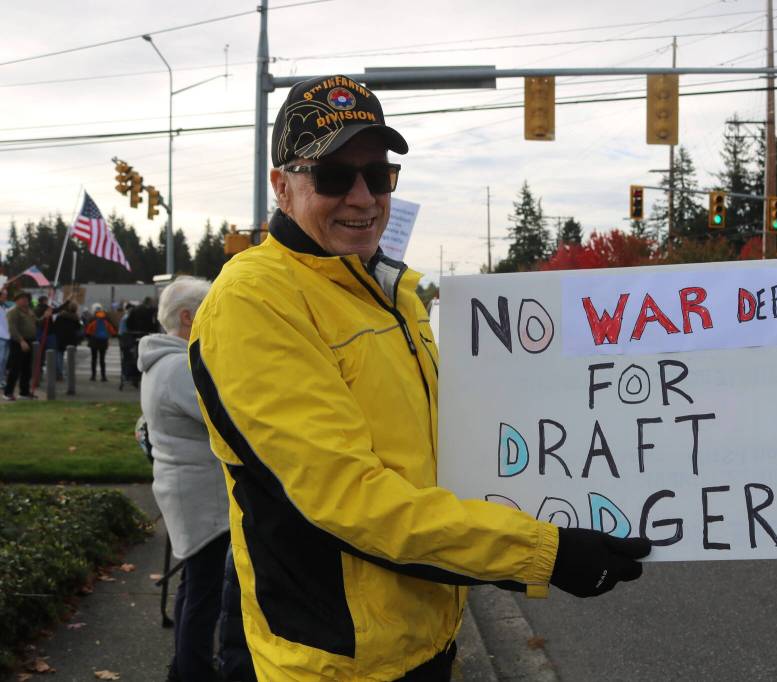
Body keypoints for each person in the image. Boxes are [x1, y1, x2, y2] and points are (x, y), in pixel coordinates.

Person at [188, 74, 651, 681]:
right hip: (332, 663)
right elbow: (346, 499)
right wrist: (543, 552)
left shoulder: (388, 291)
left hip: (423, 639)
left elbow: (437, 442)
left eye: (378, 176)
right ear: (282, 187)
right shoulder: (255, 301)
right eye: (333, 177)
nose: (361, 197)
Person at [138, 277, 231, 682]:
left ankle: (186, 666)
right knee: (204, 593)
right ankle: (193, 671)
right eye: (210, 310)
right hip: (201, 498)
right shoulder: (178, 366)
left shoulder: (167, 361)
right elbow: (226, 417)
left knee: (197, 586)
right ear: (189, 316)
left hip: (192, 493)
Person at [4, 291, 38, 400]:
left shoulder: (29, 311)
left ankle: (24, 392)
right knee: (15, 368)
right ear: (17, 300)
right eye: (22, 298)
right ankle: (8, 392)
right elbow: (12, 328)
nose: (25, 300)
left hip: (30, 341)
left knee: (26, 369)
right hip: (19, 342)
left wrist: (45, 316)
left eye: (26, 298)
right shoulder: (14, 312)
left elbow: (37, 322)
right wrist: (21, 341)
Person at [84, 304, 117, 381]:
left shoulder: (92, 319)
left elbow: (88, 331)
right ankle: (103, 376)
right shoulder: (106, 319)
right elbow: (112, 330)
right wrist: (113, 335)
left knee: (94, 359)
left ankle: (93, 376)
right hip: (103, 341)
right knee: (102, 359)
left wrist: (88, 337)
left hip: (94, 341)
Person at [52, 302, 83, 381]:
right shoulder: (76, 318)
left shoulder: (60, 316)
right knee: (71, 358)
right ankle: (69, 374)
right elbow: (78, 328)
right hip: (72, 339)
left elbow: (55, 326)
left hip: (61, 338)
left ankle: (60, 373)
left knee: (59, 356)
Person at [0, 287, 11, 386]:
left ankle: (2, 379)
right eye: (4, 296)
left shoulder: (6, 307)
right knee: (1, 359)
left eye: (6, 296)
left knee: (5, 360)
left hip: (7, 336)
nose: (5, 297)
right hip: (1, 337)